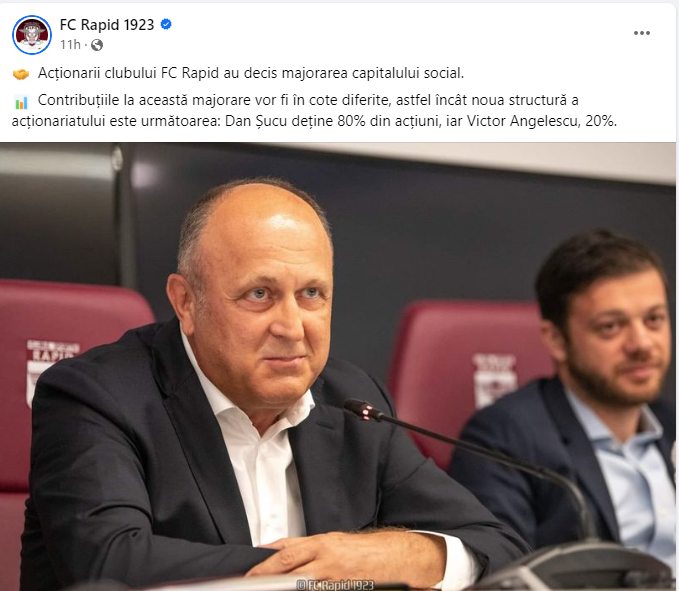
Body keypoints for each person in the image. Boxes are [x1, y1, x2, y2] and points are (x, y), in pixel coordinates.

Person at [22, 179, 528, 591]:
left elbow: (499, 547)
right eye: (259, 294)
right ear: (186, 302)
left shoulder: (351, 402)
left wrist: (398, 554)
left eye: (312, 294)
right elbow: (109, 562)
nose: (292, 326)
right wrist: (320, 571)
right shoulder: (97, 396)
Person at [448, 229, 675, 571]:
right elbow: (500, 572)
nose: (642, 343)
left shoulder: (672, 423)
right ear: (556, 339)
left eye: (654, 319)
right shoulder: (504, 439)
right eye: (611, 327)